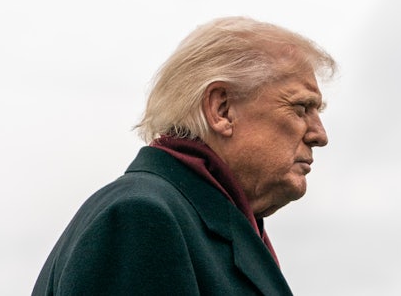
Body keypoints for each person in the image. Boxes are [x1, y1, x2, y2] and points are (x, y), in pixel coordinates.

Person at [31, 16, 336, 296]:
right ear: (222, 109)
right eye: (301, 108)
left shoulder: (189, 220)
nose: (319, 135)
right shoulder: (142, 217)